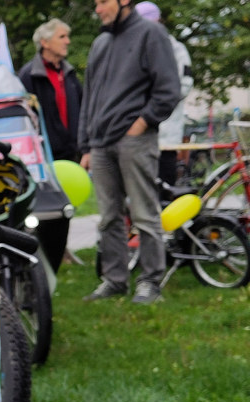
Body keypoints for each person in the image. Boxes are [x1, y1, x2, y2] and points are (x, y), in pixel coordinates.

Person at [79, 0, 180, 304]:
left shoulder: (151, 34)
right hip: (100, 143)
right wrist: (86, 143)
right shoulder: (100, 43)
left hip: (134, 140)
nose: (98, 9)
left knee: (144, 214)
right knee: (109, 217)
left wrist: (141, 123)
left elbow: (169, 89)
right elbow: (89, 97)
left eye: (103, 2)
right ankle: (115, 280)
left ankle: (151, 282)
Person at [136, 2, 194, 186]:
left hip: (166, 129)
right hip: (138, 131)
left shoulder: (176, 49)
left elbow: (184, 85)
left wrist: (157, 104)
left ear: (158, 21)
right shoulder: (135, 49)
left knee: (165, 181)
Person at [18, 20, 84, 162]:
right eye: (62, 37)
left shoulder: (68, 73)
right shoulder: (29, 75)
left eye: (67, 36)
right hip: (45, 155)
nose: (68, 41)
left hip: (74, 153)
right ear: (45, 43)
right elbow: (23, 117)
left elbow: (84, 107)